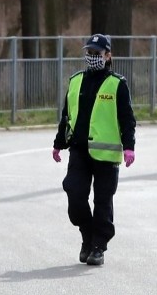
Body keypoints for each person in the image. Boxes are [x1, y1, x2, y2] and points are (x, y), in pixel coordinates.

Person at [52, 33, 136, 266]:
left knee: (103, 201)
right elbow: (66, 115)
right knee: (74, 192)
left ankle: (98, 246)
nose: (92, 57)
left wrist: (129, 147)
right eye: (88, 53)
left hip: (106, 154)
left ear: (108, 56)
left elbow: (127, 119)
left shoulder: (117, 84)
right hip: (78, 149)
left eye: (97, 54)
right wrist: (59, 143)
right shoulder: (76, 80)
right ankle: (87, 235)